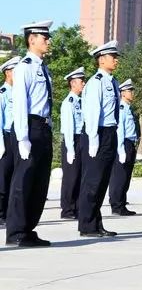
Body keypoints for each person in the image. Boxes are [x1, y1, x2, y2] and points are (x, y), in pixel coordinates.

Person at [6, 22, 54, 247]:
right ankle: (15, 231)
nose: (48, 41)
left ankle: (28, 228)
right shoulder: (24, 67)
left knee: (39, 182)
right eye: (44, 37)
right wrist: (22, 137)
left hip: (43, 127)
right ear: (31, 39)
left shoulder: (43, 67)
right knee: (23, 181)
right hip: (30, 127)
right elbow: (20, 105)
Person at [78, 39, 122, 239]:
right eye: (113, 57)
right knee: (92, 181)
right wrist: (94, 137)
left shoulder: (112, 81)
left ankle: (96, 223)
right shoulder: (96, 82)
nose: (116, 60)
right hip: (98, 133)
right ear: (102, 59)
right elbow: (92, 111)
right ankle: (87, 225)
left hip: (110, 132)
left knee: (101, 181)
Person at [59, 67, 85, 219]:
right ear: (73, 83)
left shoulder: (80, 101)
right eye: (81, 81)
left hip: (81, 138)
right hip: (72, 140)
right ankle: (67, 209)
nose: (83, 84)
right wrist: (70, 148)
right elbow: (69, 127)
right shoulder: (68, 102)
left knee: (80, 175)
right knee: (71, 176)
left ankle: (77, 207)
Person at [109, 79, 138, 216]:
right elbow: (120, 130)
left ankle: (121, 203)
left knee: (125, 176)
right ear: (122, 93)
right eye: (130, 91)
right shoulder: (121, 108)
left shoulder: (127, 108)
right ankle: (116, 205)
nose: (132, 93)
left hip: (130, 143)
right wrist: (120, 149)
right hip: (124, 143)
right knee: (119, 176)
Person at [0, 55, 20, 227]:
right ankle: (1, 213)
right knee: (3, 177)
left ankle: (10, 213)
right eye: (15, 70)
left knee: (15, 176)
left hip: (18, 136)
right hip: (5, 137)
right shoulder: (3, 93)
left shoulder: (19, 92)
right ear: (7, 72)